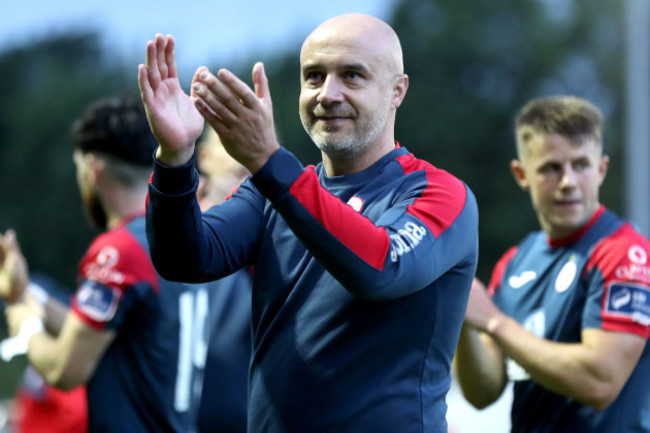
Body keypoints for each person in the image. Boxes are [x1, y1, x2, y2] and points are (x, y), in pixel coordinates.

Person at [138, 12, 479, 433]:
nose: (327, 94)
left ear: (397, 91)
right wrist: (175, 158)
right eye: (314, 77)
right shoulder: (271, 192)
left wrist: (269, 162)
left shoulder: (440, 193)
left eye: (352, 76)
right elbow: (183, 259)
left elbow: (381, 269)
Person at [0, 96, 212, 432]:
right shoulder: (180, 239)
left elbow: (63, 371)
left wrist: (22, 320)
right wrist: (27, 294)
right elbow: (90, 329)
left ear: (93, 169)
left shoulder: (118, 251)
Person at [454, 95, 650, 432]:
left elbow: (600, 382)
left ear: (601, 169)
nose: (568, 182)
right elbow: (483, 392)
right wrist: (465, 317)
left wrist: (495, 322)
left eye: (581, 165)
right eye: (551, 168)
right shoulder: (514, 262)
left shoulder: (625, 254)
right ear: (521, 174)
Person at [194, 128, 252, 433]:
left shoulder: (288, 239)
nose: (245, 148)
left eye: (256, 133)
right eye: (230, 139)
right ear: (203, 157)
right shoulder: (163, 237)